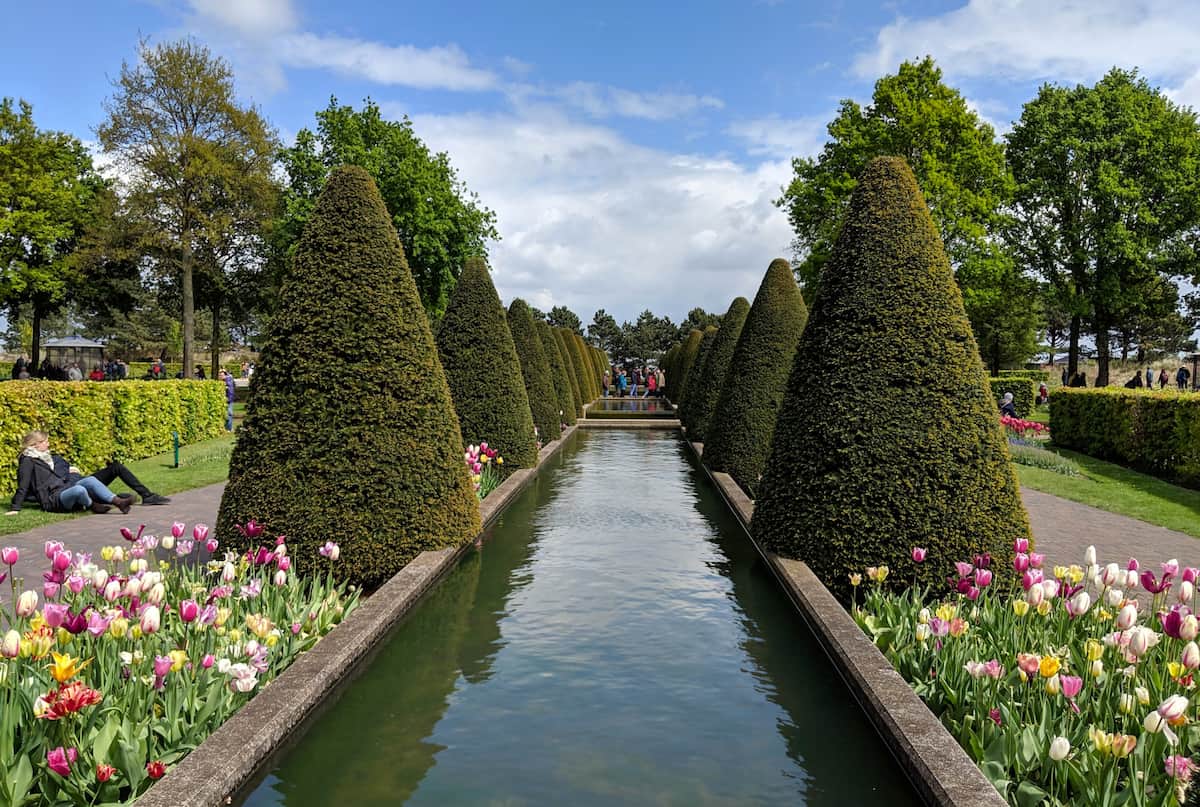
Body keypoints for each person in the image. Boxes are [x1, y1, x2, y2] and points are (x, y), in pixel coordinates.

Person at [5, 430, 171, 517]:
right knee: (80, 490)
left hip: (68, 485)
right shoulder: (28, 460)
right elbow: (24, 485)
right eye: (45, 441)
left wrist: (70, 470)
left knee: (90, 480)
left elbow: (62, 468)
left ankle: (118, 501)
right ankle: (94, 505)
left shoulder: (51, 457)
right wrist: (15, 507)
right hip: (54, 496)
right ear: (35, 444)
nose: (48, 444)